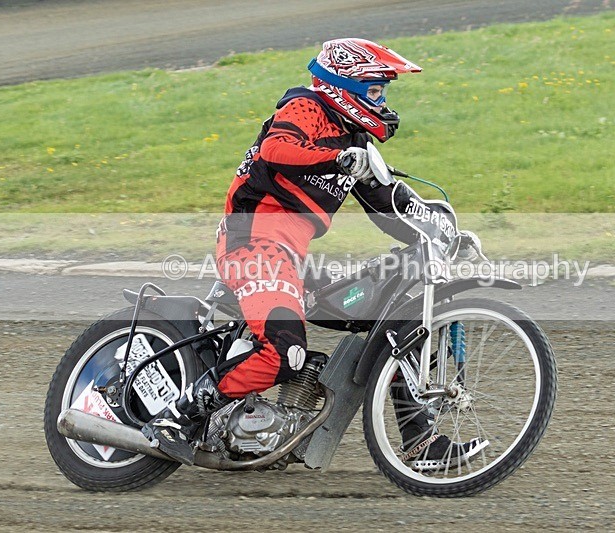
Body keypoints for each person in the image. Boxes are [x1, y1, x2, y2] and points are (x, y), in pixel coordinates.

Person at [143, 38, 486, 469]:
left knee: (403, 317)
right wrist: (339, 157)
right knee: (285, 353)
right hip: (252, 243)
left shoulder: (355, 141)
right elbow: (277, 149)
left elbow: (391, 207)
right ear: (345, 84)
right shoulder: (304, 107)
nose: (382, 101)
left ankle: (421, 443)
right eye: (375, 90)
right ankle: (178, 416)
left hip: (292, 258)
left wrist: (443, 228)